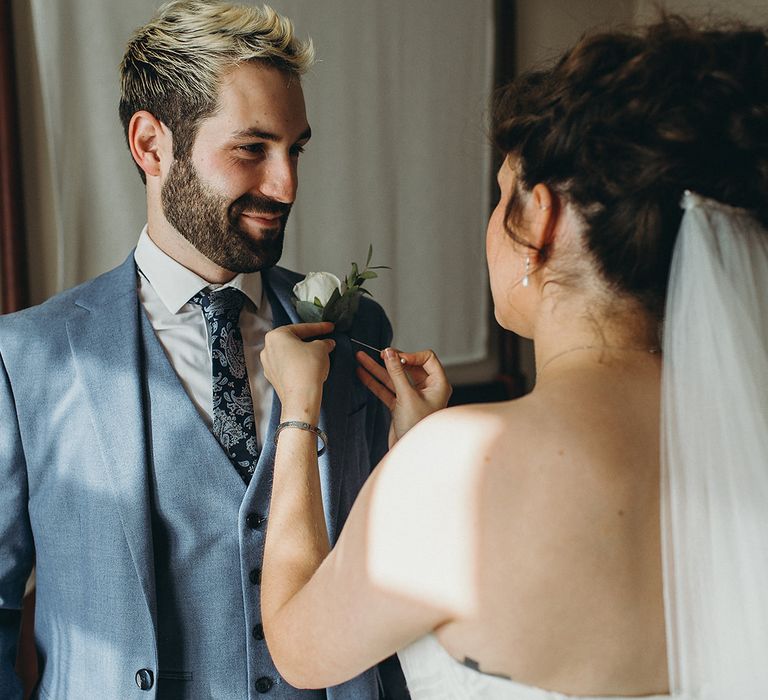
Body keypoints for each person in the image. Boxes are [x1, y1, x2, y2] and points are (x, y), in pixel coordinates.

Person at [258, 16, 768, 700]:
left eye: (503, 196)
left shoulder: (455, 470)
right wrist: (421, 447)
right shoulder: (743, 434)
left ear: (542, 219)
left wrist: (297, 412)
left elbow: (295, 648)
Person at [0, 1, 407, 698]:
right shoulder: (26, 358)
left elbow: (386, 569)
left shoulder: (354, 327)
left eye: (295, 149)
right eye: (253, 149)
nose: (286, 185)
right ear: (152, 146)